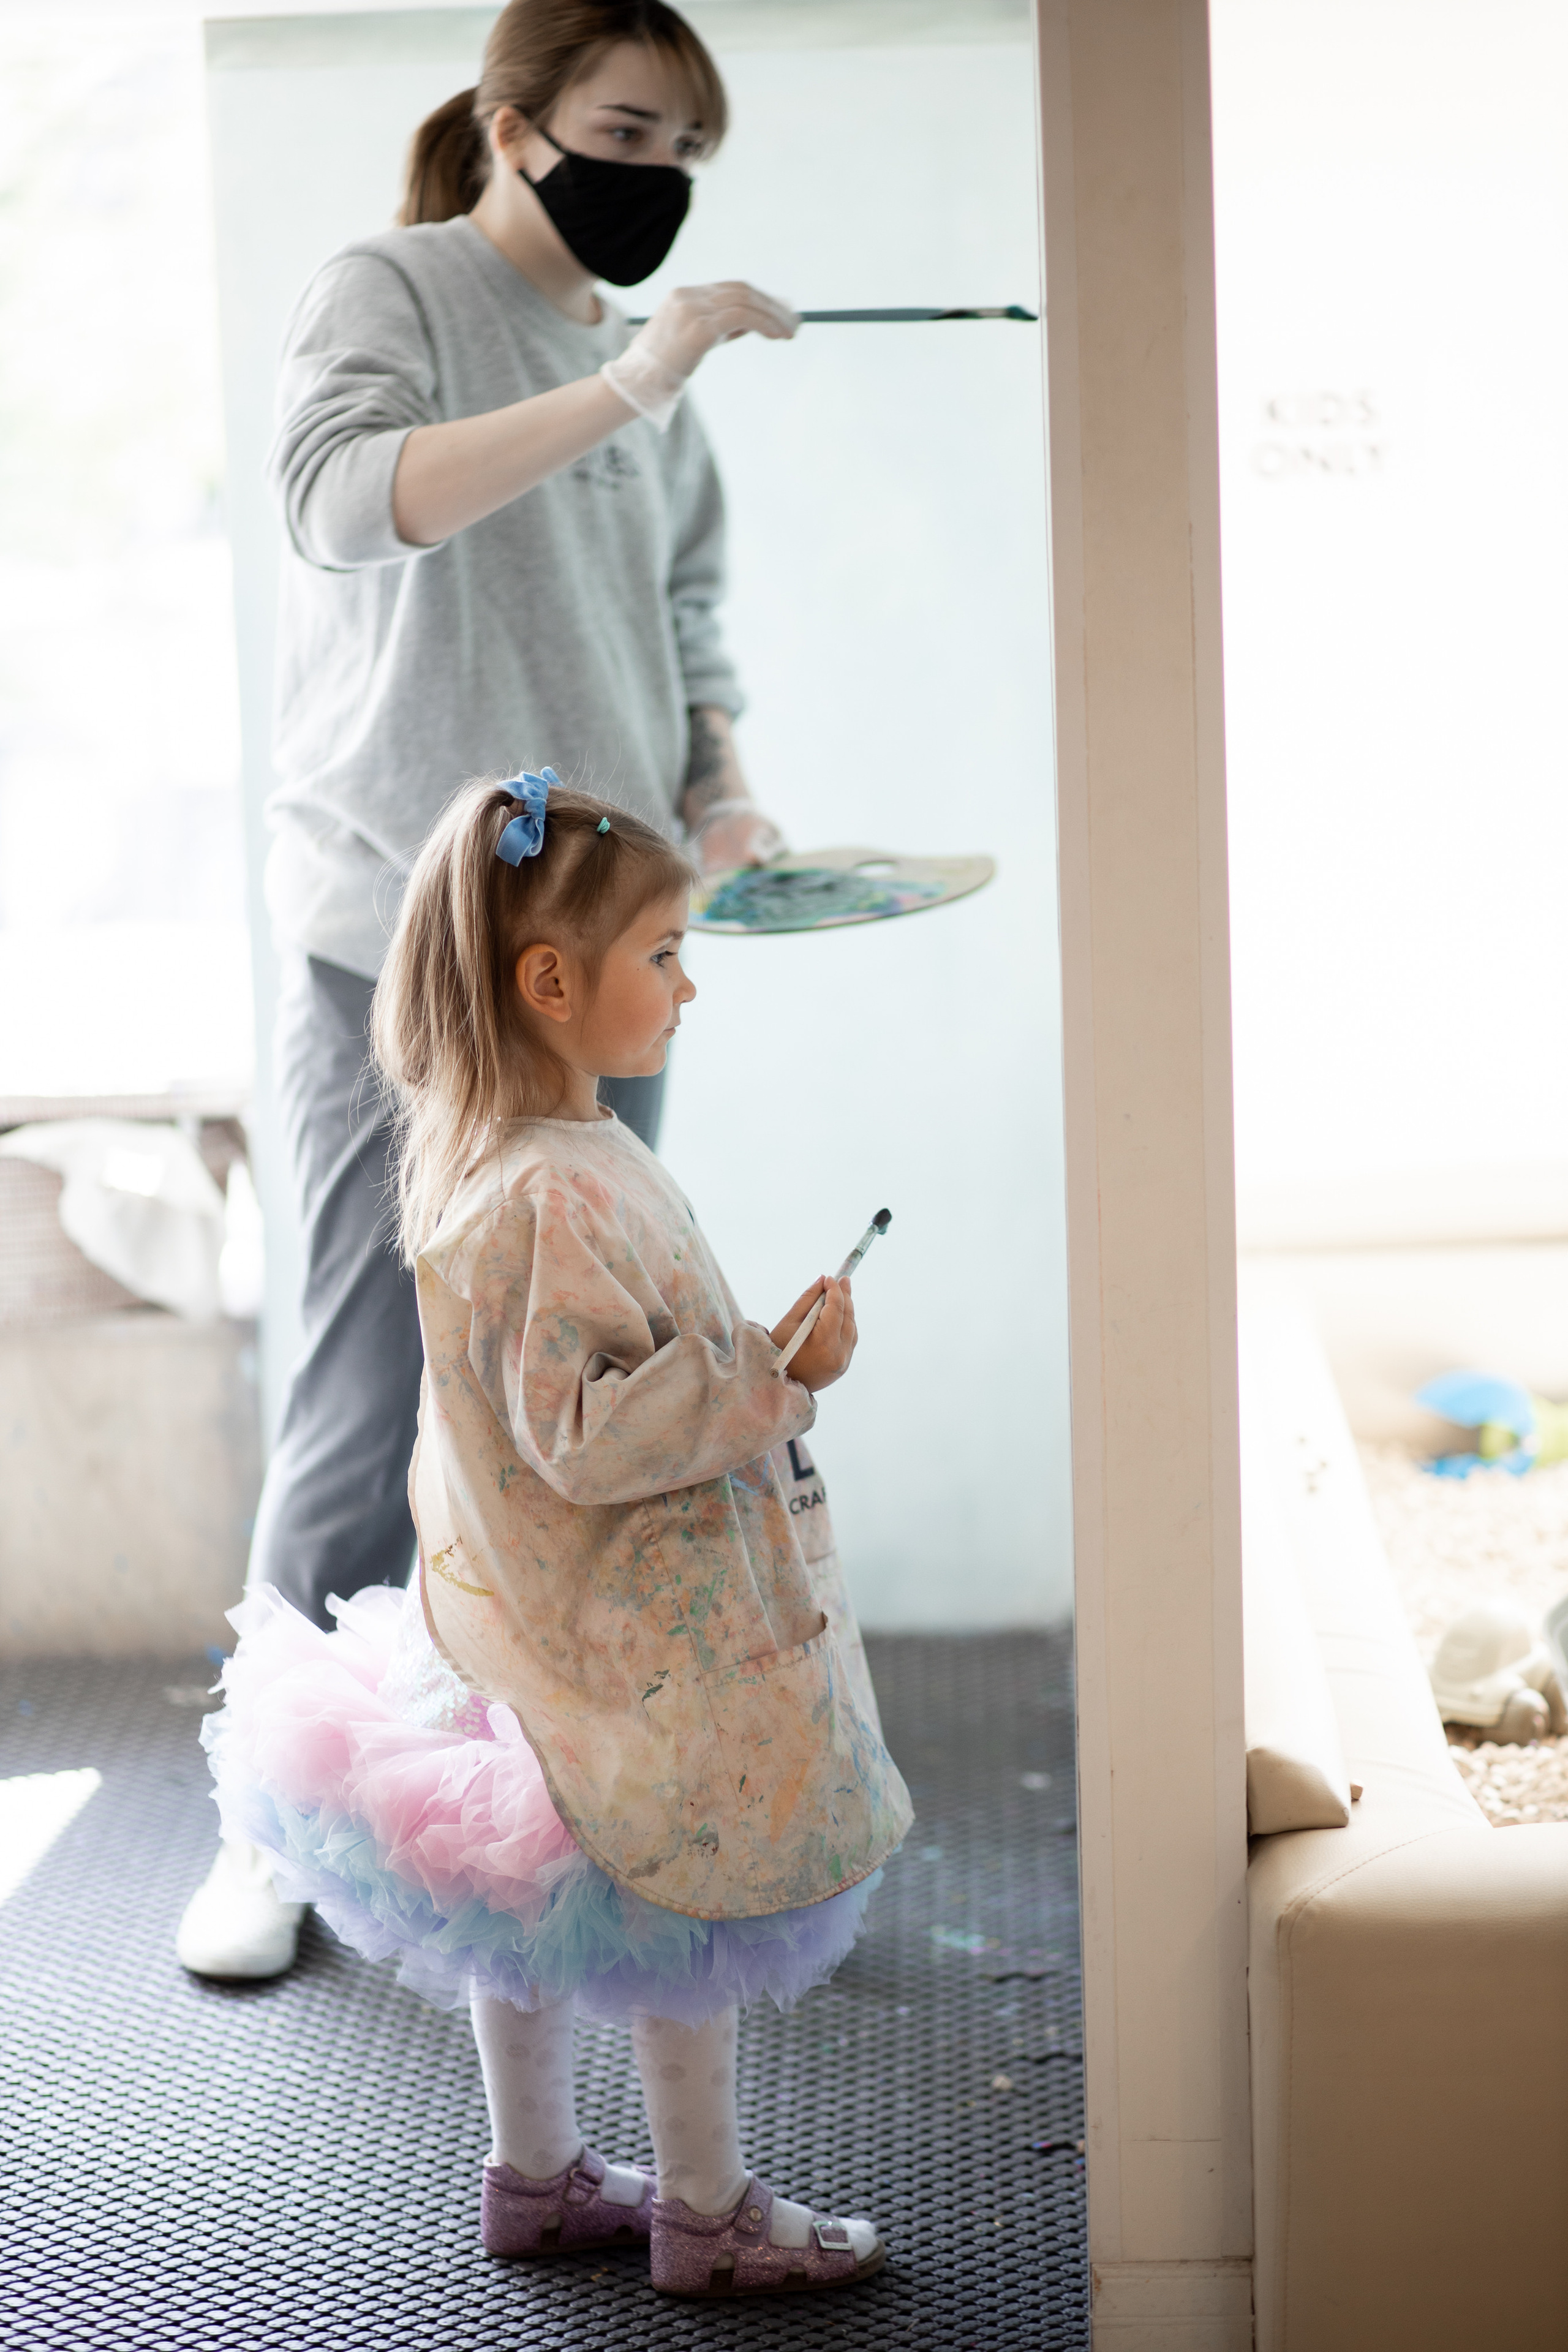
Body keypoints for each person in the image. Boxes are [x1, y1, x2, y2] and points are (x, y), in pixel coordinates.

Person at [178, 0, 800, 1978]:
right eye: (629, 128)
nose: (660, 177)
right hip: (400, 951)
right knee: (367, 1393)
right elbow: (344, 504)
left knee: (592, 1408)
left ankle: (575, 1807)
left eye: (688, 148)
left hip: (596, 969)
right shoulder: (396, 290)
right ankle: (269, 1828)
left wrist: (718, 776)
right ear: (516, 127)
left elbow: (683, 596)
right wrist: (627, 383)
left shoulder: (652, 381)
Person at [199, 777, 913, 2297]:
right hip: (614, 1637)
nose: (688, 981)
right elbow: (588, 1435)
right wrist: (777, 1379)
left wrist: (732, 1356)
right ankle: (707, 2218)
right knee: (674, 1900)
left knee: (512, 1898)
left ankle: (537, 2176)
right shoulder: (547, 1189)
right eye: (662, 951)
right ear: (550, 983)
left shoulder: (506, 1155)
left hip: (506, 1616)